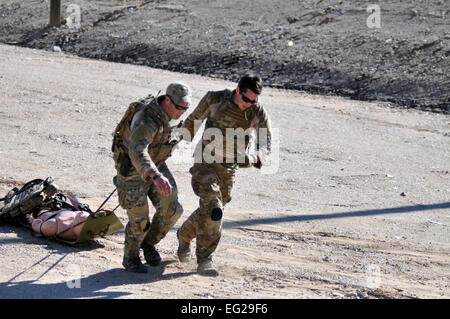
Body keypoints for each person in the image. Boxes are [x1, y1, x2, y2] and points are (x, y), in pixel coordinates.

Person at [176, 74, 272, 276]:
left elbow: (265, 144)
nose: (249, 104)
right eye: (246, 99)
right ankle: (205, 260)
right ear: (237, 90)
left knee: (212, 209)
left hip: (228, 169)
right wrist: (168, 142)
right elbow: (193, 123)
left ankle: (184, 234)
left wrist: (255, 157)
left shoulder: (256, 110)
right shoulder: (215, 99)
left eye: (253, 101)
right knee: (213, 208)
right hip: (205, 164)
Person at [112, 83, 191, 273]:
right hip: (133, 169)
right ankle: (130, 258)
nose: (182, 112)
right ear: (167, 100)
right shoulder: (146, 119)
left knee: (172, 210)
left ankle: (148, 244)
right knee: (140, 222)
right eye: (180, 107)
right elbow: (137, 150)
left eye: (186, 108)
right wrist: (156, 176)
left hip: (156, 164)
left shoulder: (173, 115)